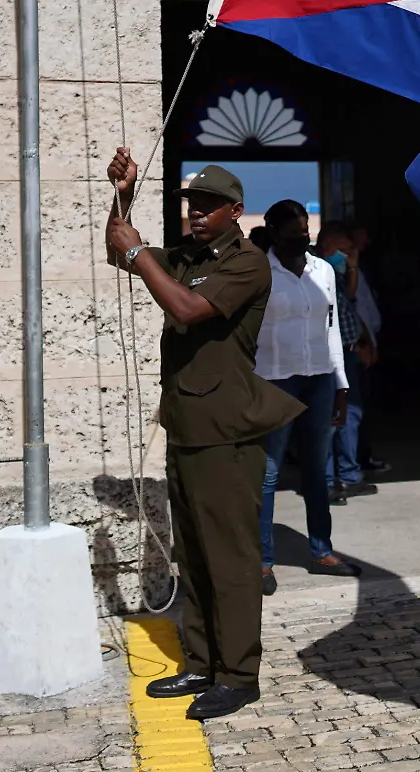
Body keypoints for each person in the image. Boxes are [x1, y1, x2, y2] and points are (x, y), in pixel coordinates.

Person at [104, 151, 301, 721]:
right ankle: (199, 661)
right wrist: (123, 196)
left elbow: (187, 309)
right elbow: (121, 253)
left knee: (230, 558)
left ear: (236, 211)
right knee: (192, 553)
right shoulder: (189, 255)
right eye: (192, 204)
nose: (196, 214)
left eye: (210, 207)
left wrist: (142, 251)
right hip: (188, 424)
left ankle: (238, 674)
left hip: (227, 431)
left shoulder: (248, 263)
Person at [254, 200, 362, 594]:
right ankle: (262, 562)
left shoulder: (323, 270)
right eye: (295, 227)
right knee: (268, 472)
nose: (304, 233)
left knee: (317, 469)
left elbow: (330, 328)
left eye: (306, 225)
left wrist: (341, 384)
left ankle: (321, 551)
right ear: (273, 231)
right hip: (273, 380)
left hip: (318, 379)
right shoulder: (258, 271)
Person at [317, 222, 378, 501]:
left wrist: (362, 344)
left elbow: (350, 304)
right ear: (328, 247)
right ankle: (327, 481)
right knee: (330, 420)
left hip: (347, 353)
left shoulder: (336, 273)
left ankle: (349, 475)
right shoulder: (315, 274)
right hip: (328, 357)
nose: (348, 256)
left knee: (349, 416)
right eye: (344, 250)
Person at [346, 221, 392, 474]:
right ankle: (351, 466)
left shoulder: (361, 270)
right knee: (352, 409)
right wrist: (363, 343)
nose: (364, 244)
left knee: (362, 406)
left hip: (366, 341)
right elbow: (351, 309)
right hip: (355, 346)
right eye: (359, 239)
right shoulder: (342, 270)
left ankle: (360, 457)